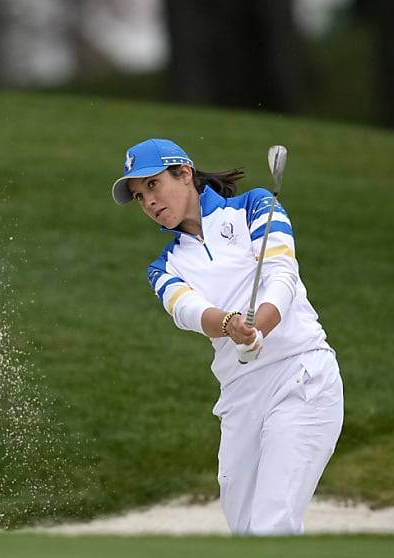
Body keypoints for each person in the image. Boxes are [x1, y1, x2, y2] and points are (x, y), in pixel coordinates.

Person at [111, 138, 344, 536]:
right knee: (244, 531)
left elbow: (282, 275)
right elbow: (188, 311)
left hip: (300, 376)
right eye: (138, 196)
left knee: (272, 527)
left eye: (152, 185)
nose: (148, 202)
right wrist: (231, 325)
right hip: (241, 395)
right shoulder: (164, 266)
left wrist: (259, 327)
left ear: (184, 173)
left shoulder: (255, 205)